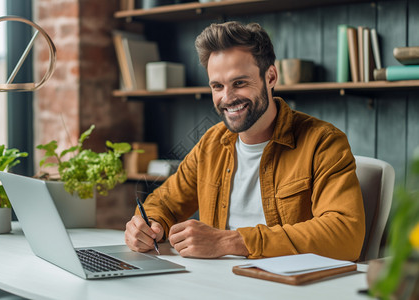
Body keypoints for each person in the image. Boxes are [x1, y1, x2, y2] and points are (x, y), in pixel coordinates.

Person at [125, 21, 365, 261]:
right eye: (217, 86)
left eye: (239, 83)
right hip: (217, 284)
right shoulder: (211, 144)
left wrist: (230, 241)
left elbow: (345, 234)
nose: (227, 98)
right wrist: (148, 226)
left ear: (270, 77)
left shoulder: (323, 142)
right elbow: (163, 203)